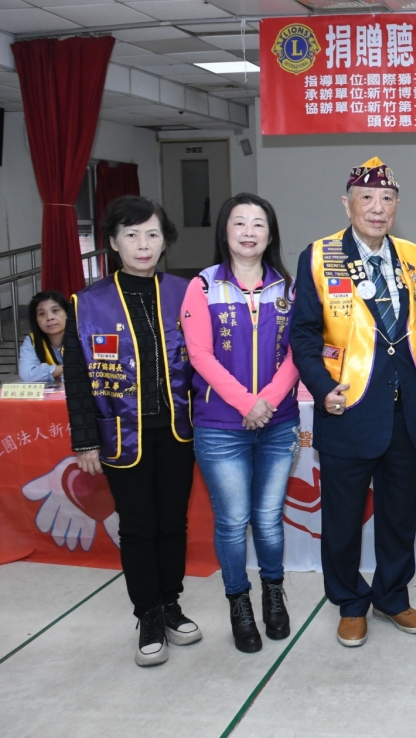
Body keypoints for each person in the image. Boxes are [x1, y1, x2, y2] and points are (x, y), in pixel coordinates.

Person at [290, 156, 416, 648]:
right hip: (347, 406)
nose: (377, 208)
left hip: (407, 410)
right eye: (366, 198)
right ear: (346, 204)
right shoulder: (319, 256)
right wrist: (320, 387)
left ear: (397, 205)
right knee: (343, 518)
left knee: (399, 515)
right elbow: (303, 335)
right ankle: (350, 602)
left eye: (387, 199)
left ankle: (392, 596)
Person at [63, 195, 200, 667]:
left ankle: (171, 603)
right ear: (114, 242)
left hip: (179, 431)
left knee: (173, 523)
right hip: (121, 434)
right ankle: (147, 614)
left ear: (165, 241)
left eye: (152, 234)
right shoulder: (88, 303)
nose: (143, 244)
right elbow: (77, 378)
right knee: (138, 527)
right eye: (132, 235)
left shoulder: (186, 292)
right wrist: (84, 439)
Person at [182, 193, 299, 653]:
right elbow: (200, 355)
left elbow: (298, 353)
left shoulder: (289, 289)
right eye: (239, 223)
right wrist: (246, 403)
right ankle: (239, 603)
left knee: (269, 519)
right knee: (233, 522)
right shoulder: (203, 287)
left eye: (258, 224)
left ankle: (273, 592)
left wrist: (266, 402)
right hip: (220, 426)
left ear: (270, 234)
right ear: (225, 231)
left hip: (278, 422)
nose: (249, 232)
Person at [19, 290, 69, 384]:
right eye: (41, 314)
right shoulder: (32, 340)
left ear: (68, 313)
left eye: (55, 311)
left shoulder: (82, 336)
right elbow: (27, 376)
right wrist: (65, 368)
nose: (49, 317)